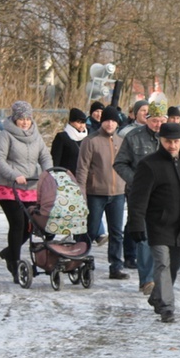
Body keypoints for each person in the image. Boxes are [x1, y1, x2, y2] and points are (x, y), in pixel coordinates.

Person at [128, 123, 180, 324]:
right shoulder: (149, 164)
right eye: (168, 141)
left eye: (176, 141)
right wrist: (136, 224)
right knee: (163, 264)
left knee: (174, 266)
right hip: (158, 224)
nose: (172, 145)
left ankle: (157, 297)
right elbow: (138, 198)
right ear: (160, 140)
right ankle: (167, 307)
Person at [0, 101, 52, 282]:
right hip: (9, 187)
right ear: (15, 119)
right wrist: (14, 174)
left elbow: (45, 156)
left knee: (30, 225)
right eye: (21, 119)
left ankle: (9, 252)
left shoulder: (36, 135)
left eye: (27, 119)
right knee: (18, 223)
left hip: (30, 187)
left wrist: (48, 172)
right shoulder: (5, 135)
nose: (25, 122)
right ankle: (15, 262)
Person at [114, 100, 167, 292]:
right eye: (154, 121)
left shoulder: (172, 139)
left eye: (161, 120)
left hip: (165, 196)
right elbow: (120, 163)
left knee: (162, 237)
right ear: (147, 119)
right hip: (141, 195)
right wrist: (137, 182)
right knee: (144, 236)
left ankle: (162, 277)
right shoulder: (134, 137)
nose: (158, 125)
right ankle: (147, 280)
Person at [75, 106, 130, 281]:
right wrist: (81, 193)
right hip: (95, 193)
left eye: (114, 121)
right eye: (107, 120)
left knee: (116, 232)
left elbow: (127, 166)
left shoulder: (122, 142)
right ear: (102, 121)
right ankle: (81, 261)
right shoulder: (91, 141)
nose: (110, 124)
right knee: (90, 230)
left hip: (118, 193)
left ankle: (116, 266)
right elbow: (82, 169)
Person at [50, 108, 87, 173]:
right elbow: (55, 160)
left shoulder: (86, 138)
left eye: (83, 123)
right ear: (71, 122)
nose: (82, 125)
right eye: (78, 122)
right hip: (65, 177)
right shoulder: (62, 137)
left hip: (82, 176)